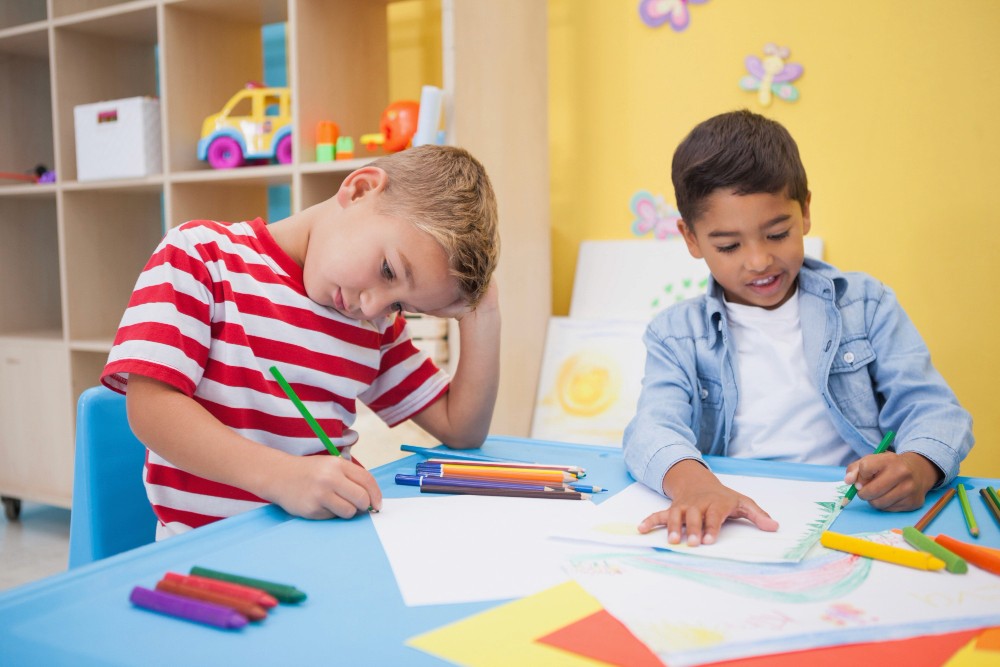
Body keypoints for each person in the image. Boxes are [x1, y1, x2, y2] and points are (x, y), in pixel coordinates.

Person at [102, 145, 501, 539]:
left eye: (400, 303)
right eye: (387, 270)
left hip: (322, 544)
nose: (373, 305)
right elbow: (151, 407)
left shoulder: (376, 325)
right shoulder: (201, 256)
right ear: (360, 190)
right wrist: (280, 477)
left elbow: (461, 429)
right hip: (208, 552)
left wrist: (483, 311)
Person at [623, 109, 973, 547]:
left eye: (777, 233)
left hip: (852, 512)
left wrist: (919, 465)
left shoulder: (866, 305)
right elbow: (650, 429)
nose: (759, 260)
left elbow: (935, 410)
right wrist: (695, 485)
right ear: (691, 238)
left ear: (804, 211)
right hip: (738, 515)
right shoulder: (675, 334)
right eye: (729, 245)